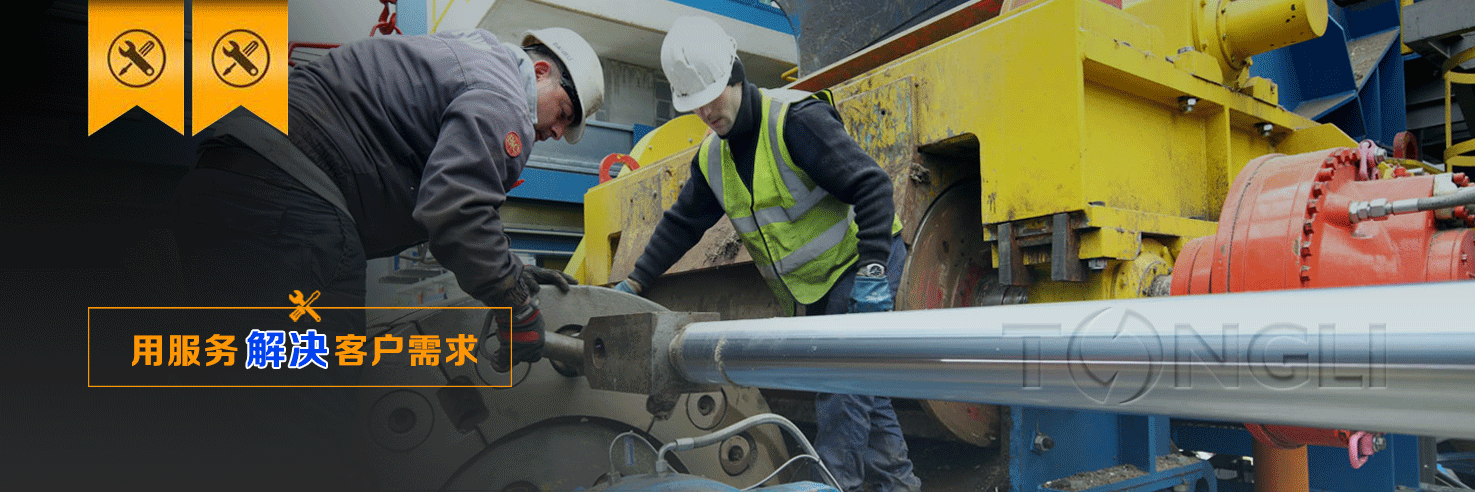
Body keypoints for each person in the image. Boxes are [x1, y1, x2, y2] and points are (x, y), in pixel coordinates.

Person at [174, 28, 601, 373]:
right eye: (564, 113)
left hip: (226, 182)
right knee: (309, 408)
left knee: (237, 387)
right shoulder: (504, 96)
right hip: (288, 202)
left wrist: (509, 272)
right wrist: (515, 304)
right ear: (540, 71)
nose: (557, 132)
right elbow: (459, 211)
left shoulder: (466, 56)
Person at [612, 16, 921, 492]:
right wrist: (635, 281)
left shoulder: (795, 121)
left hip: (859, 267)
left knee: (841, 388)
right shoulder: (712, 158)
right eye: (695, 105)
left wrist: (874, 269)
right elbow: (682, 224)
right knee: (865, 396)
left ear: (734, 74)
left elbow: (873, 186)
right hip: (815, 287)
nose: (706, 112)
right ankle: (900, 486)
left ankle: (828, 484)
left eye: (712, 97)